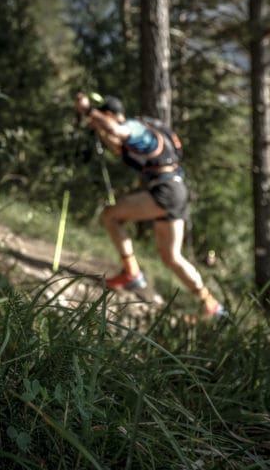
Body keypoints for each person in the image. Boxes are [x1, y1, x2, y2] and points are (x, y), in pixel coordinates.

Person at [75, 92, 225, 322]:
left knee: (111, 216)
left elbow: (116, 131)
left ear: (110, 114)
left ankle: (131, 273)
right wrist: (99, 127)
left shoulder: (134, 127)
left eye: (104, 117)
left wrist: (88, 111)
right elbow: (118, 146)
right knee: (171, 257)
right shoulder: (144, 132)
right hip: (177, 190)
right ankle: (211, 304)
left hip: (164, 191)